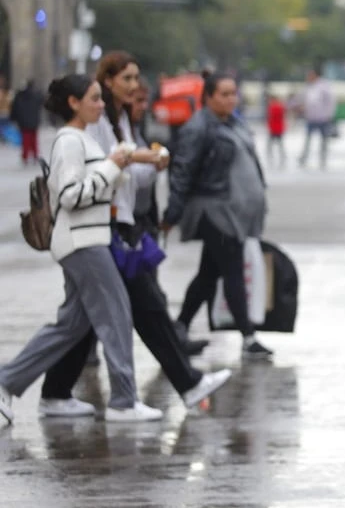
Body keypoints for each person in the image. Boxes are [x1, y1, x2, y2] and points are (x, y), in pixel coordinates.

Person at [40, 54, 231, 415]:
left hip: (117, 223)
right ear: (107, 82)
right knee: (136, 309)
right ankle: (143, 396)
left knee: (83, 320)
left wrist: (150, 163)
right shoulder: (91, 125)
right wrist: (134, 161)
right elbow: (99, 173)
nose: (133, 86)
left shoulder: (119, 119)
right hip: (103, 228)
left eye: (136, 79)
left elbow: (123, 173)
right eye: (127, 79)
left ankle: (54, 392)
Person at [0, 74, 162, 424]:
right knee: (116, 314)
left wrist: (119, 166)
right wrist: (111, 167)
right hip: (82, 241)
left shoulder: (80, 139)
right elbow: (70, 195)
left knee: (71, 325)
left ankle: (8, 381)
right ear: (74, 103)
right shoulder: (70, 141)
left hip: (86, 239)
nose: (102, 105)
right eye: (94, 99)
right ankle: (123, 400)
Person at [164, 72, 273, 359]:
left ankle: (180, 327)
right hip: (214, 210)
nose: (230, 99)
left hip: (234, 212)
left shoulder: (234, 123)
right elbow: (182, 171)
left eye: (233, 93)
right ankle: (248, 338)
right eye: (223, 94)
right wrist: (172, 212)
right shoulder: (198, 128)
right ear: (209, 97)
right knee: (232, 271)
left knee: (208, 274)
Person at [298, 64, 335, 169]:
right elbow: (304, 99)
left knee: (323, 140)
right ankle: (304, 158)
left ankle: (323, 159)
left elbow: (330, 101)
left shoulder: (324, 86)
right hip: (311, 117)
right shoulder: (308, 87)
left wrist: (329, 114)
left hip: (323, 117)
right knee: (308, 139)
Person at [266, 93, 287, 168]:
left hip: (274, 128)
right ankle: (282, 154)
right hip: (279, 128)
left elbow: (270, 117)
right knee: (279, 143)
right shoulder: (280, 106)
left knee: (271, 143)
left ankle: (270, 154)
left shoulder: (272, 107)